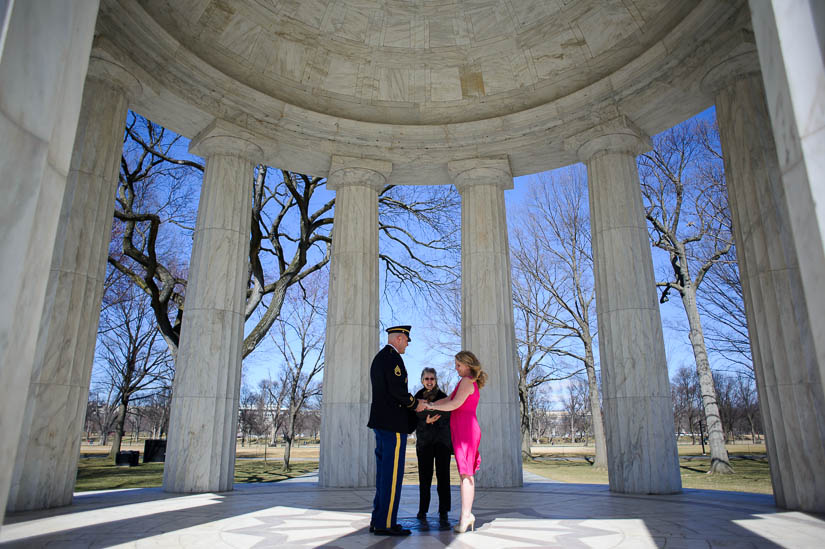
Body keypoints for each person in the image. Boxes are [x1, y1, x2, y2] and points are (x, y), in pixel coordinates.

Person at [367, 325, 426, 536]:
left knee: (384, 475)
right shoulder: (392, 359)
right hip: (393, 425)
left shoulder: (381, 357)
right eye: (407, 341)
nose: (407, 345)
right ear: (400, 338)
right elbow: (398, 392)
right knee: (392, 476)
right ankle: (387, 523)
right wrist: (415, 403)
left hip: (382, 424)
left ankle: (379, 519)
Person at [426, 350, 487, 534]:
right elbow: (449, 399)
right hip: (461, 430)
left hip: (467, 431)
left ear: (467, 365)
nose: (456, 368)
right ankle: (465, 516)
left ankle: (467, 516)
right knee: (464, 473)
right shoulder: (464, 381)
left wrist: (432, 406)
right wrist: (432, 404)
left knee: (466, 474)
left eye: (458, 365)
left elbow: (455, 404)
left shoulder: (468, 381)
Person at [413, 367, 451, 523]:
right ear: (422, 380)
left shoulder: (443, 397)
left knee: (443, 478)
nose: (429, 381)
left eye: (432, 379)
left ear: (436, 380)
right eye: (426, 379)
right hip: (424, 444)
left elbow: (447, 414)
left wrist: (431, 415)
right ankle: (422, 510)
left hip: (442, 443)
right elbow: (413, 417)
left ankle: (444, 511)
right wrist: (425, 420)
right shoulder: (417, 397)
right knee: (424, 478)